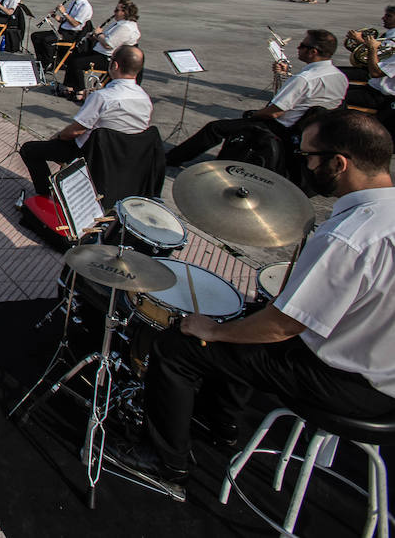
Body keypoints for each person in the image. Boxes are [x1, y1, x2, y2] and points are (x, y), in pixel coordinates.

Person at [110, 110, 395, 493]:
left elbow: (282, 327)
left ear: (339, 163)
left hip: (345, 381)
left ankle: (165, 460)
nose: (306, 164)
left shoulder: (349, 236)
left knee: (179, 346)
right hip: (383, 372)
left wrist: (214, 330)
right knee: (247, 318)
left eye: (310, 156)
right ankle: (220, 423)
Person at [165, 29, 347, 166]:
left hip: (284, 128)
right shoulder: (340, 77)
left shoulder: (304, 79)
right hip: (312, 130)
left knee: (215, 127)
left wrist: (254, 114)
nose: (298, 49)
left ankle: (171, 160)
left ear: (313, 51)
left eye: (302, 46)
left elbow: (274, 113)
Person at [19, 46, 151, 196]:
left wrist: (57, 136)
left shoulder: (103, 97)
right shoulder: (145, 98)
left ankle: (46, 194)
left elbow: (75, 131)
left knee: (29, 150)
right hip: (127, 154)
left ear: (115, 65)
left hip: (94, 154)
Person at [63, 0, 142, 100]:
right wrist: (95, 36)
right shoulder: (120, 24)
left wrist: (98, 34)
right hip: (101, 53)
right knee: (73, 57)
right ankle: (70, 87)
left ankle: (80, 91)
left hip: (108, 58)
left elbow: (108, 44)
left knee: (76, 62)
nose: (114, 12)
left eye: (117, 10)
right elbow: (106, 38)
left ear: (125, 12)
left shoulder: (126, 27)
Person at [31, 0, 93, 71]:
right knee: (35, 36)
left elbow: (75, 23)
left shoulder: (85, 7)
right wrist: (55, 16)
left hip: (71, 34)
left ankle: (50, 63)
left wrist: (64, 13)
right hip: (62, 31)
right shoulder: (73, 3)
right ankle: (42, 61)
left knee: (46, 40)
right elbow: (64, 21)